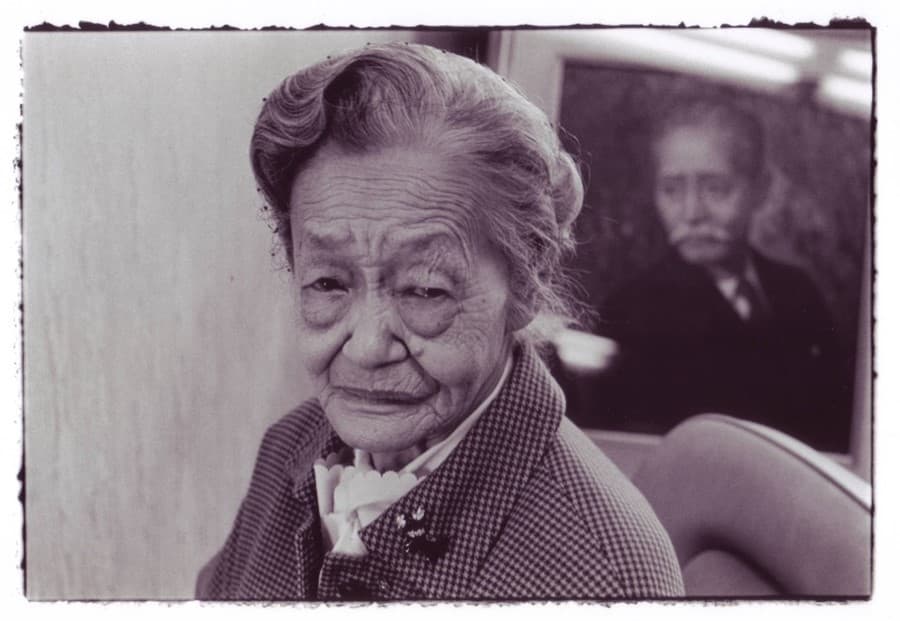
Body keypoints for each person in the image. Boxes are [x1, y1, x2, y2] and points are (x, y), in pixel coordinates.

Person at [195, 43, 683, 600]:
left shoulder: (604, 575)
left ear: (527, 283)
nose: (367, 347)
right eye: (328, 283)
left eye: (425, 289)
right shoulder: (292, 445)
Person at [585, 96, 851, 452]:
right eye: (672, 190)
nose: (692, 213)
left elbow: (836, 427)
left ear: (760, 189)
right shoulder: (630, 312)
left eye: (716, 189)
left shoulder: (798, 292)